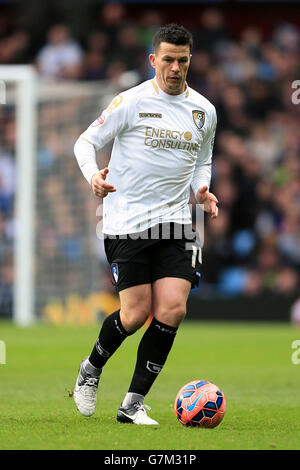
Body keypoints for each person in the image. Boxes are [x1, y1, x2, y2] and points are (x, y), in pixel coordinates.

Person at [73, 23, 218, 425]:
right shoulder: (131, 102)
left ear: (191, 61)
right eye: (168, 60)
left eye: (183, 61)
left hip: (176, 222)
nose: (175, 68)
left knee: (172, 308)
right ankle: (91, 369)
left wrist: (202, 188)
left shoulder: (205, 110)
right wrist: (93, 177)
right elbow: (85, 142)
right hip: (127, 222)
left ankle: (132, 403)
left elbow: (202, 158)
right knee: (135, 315)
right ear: (153, 60)